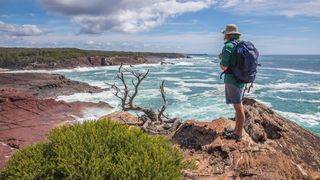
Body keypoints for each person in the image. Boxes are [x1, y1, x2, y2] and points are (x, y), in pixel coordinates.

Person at [219, 24, 245, 141]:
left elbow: (224, 66)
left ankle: (238, 134)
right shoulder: (240, 45)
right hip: (241, 79)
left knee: (238, 107)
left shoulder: (228, 46)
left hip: (232, 80)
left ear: (228, 35)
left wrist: (221, 60)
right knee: (238, 106)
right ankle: (237, 130)